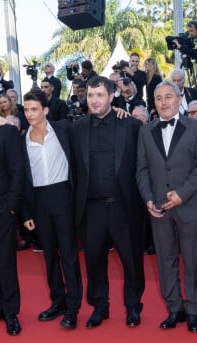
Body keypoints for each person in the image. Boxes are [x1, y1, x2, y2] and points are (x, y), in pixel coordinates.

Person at [70, 76, 145, 329]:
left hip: (124, 206)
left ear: (112, 97)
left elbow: (143, 164)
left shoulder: (131, 126)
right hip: (91, 208)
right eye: (90, 96)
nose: (94, 100)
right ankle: (100, 306)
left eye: (99, 95)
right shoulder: (77, 128)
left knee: (131, 259)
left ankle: (133, 305)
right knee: (93, 260)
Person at [136, 81, 197, 332]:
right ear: (154, 103)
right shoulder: (146, 131)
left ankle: (192, 309)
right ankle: (174, 309)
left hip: (188, 204)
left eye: (169, 96)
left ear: (180, 100)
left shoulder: (196, 127)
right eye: (158, 98)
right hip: (158, 207)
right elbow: (142, 170)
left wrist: (182, 194)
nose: (164, 102)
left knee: (191, 260)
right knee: (165, 260)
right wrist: (148, 198)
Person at [19, 89, 82, 329]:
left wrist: (118, 109)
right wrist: (26, 213)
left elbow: (90, 122)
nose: (29, 114)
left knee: (68, 254)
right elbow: (21, 180)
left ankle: (74, 307)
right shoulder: (21, 139)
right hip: (38, 200)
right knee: (48, 255)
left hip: (63, 195)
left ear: (45, 110)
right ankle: (59, 301)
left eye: (34, 109)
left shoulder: (64, 129)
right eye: (26, 109)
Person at [0, 118, 23, 336]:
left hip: (2, 208)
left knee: (5, 259)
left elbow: (17, 170)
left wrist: (11, 206)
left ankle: (11, 312)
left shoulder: (6, 131)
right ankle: (0, 306)